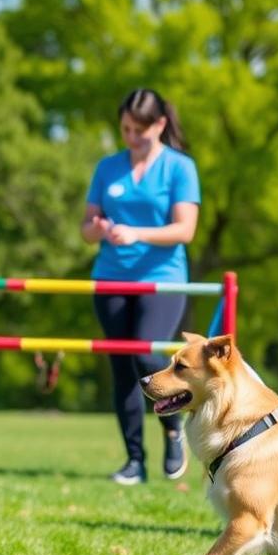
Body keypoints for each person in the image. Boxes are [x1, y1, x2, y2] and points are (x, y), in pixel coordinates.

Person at [82, 88, 200, 484]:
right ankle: (134, 460)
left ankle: (172, 428)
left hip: (161, 280)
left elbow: (186, 230)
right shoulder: (108, 167)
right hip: (110, 278)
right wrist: (97, 228)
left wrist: (138, 234)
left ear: (161, 125)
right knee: (122, 371)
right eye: (126, 129)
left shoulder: (180, 168)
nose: (132, 138)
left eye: (140, 131)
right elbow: (85, 228)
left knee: (149, 357)